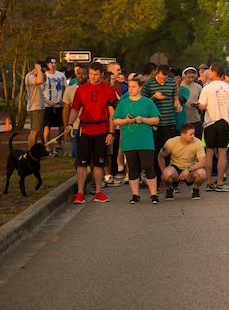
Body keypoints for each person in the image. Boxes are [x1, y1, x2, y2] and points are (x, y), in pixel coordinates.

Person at [64, 62, 118, 204]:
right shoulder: (81, 90)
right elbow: (75, 109)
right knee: (82, 163)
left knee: (99, 163)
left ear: (101, 74)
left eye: (96, 75)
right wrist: (69, 124)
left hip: (101, 129)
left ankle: (99, 192)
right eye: (91, 74)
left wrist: (111, 132)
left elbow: (112, 114)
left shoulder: (108, 91)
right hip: (84, 129)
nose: (93, 77)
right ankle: (80, 193)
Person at [112, 76, 161, 204]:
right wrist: (126, 120)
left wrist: (143, 119)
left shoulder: (148, 102)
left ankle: (153, 194)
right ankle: (135, 194)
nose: (131, 89)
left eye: (134, 86)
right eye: (129, 87)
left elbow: (156, 119)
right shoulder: (123, 103)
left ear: (140, 88)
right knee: (133, 167)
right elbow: (115, 120)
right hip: (130, 140)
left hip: (145, 140)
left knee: (148, 166)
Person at [199, 62, 229, 192]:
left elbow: (202, 106)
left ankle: (209, 182)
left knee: (209, 153)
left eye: (210, 71)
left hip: (210, 123)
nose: (208, 73)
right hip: (225, 123)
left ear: (214, 72)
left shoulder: (207, 88)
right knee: (223, 153)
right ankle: (220, 183)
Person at [142, 64, 181, 174]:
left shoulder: (172, 82)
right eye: (160, 78)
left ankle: (170, 176)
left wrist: (177, 105)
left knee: (170, 151)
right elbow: (144, 103)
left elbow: (175, 99)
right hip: (155, 123)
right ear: (156, 73)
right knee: (156, 151)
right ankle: (158, 177)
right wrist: (153, 97)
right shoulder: (149, 84)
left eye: (165, 78)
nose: (163, 81)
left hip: (169, 121)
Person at [158, 123, 207, 200]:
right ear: (183, 135)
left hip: (190, 168)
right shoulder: (171, 142)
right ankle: (169, 188)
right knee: (166, 174)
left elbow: (202, 162)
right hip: (175, 168)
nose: (193, 136)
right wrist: (163, 171)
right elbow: (160, 156)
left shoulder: (197, 142)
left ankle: (196, 188)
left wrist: (189, 169)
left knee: (202, 173)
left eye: (194, 133)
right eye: (191, 134)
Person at [42, 56, 66, 156]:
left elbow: (64, 87)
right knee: (47, 126)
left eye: (55, 63)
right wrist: (47, 102)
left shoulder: (61, 75)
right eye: (51, 63)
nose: (53, 65)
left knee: (62, 126)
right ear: (47, 65)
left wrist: (63, 98)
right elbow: (40, 91)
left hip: (59, 105)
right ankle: (48, 147)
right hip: (48, 105)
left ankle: (58, 146)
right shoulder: (45, 76)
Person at [62, 66, 88, 158]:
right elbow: (66, 109)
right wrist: (67, 127)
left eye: (84, 74)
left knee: (89, 154)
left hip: (89, 127)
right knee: (76, 154)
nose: (81, 76)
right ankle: (79, 172)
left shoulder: (91, 89)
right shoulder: (70, 90)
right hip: (75, 126)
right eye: (78, 74)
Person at [25, 61, 46, 148]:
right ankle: (31, 151)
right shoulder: (30, 76)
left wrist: (41, 72)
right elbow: (40, 81)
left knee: (36, 131)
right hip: (35, 108)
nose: (43, 73)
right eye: (42, 71)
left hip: (39, 107)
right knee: (34, 131)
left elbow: (43, 79)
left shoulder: (35, 76)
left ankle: (32, 150)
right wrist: (38, 69)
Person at [181, 67, 203, 139]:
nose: (190, 79)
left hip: (195, 119)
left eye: (192, 77)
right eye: (189, 77)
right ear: (184, 76)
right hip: (183, 119)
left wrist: (197, 104)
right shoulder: (180, 87)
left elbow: (202, 101)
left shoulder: (198, 87)